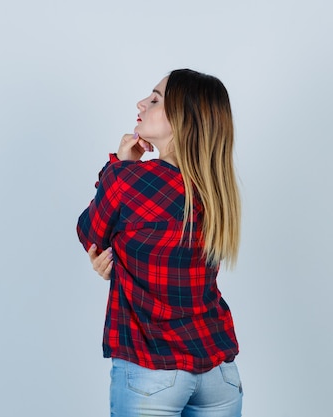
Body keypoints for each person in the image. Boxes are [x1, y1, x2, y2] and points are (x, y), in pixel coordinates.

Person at [76, 69, 243, 417]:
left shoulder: (129, 180)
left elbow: (90, 233)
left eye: (155, 100)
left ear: (184, 118)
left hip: (152, 369)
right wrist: (115, 256)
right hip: (219, 373)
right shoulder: (217, 192)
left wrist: (118, 165)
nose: (141, 103)